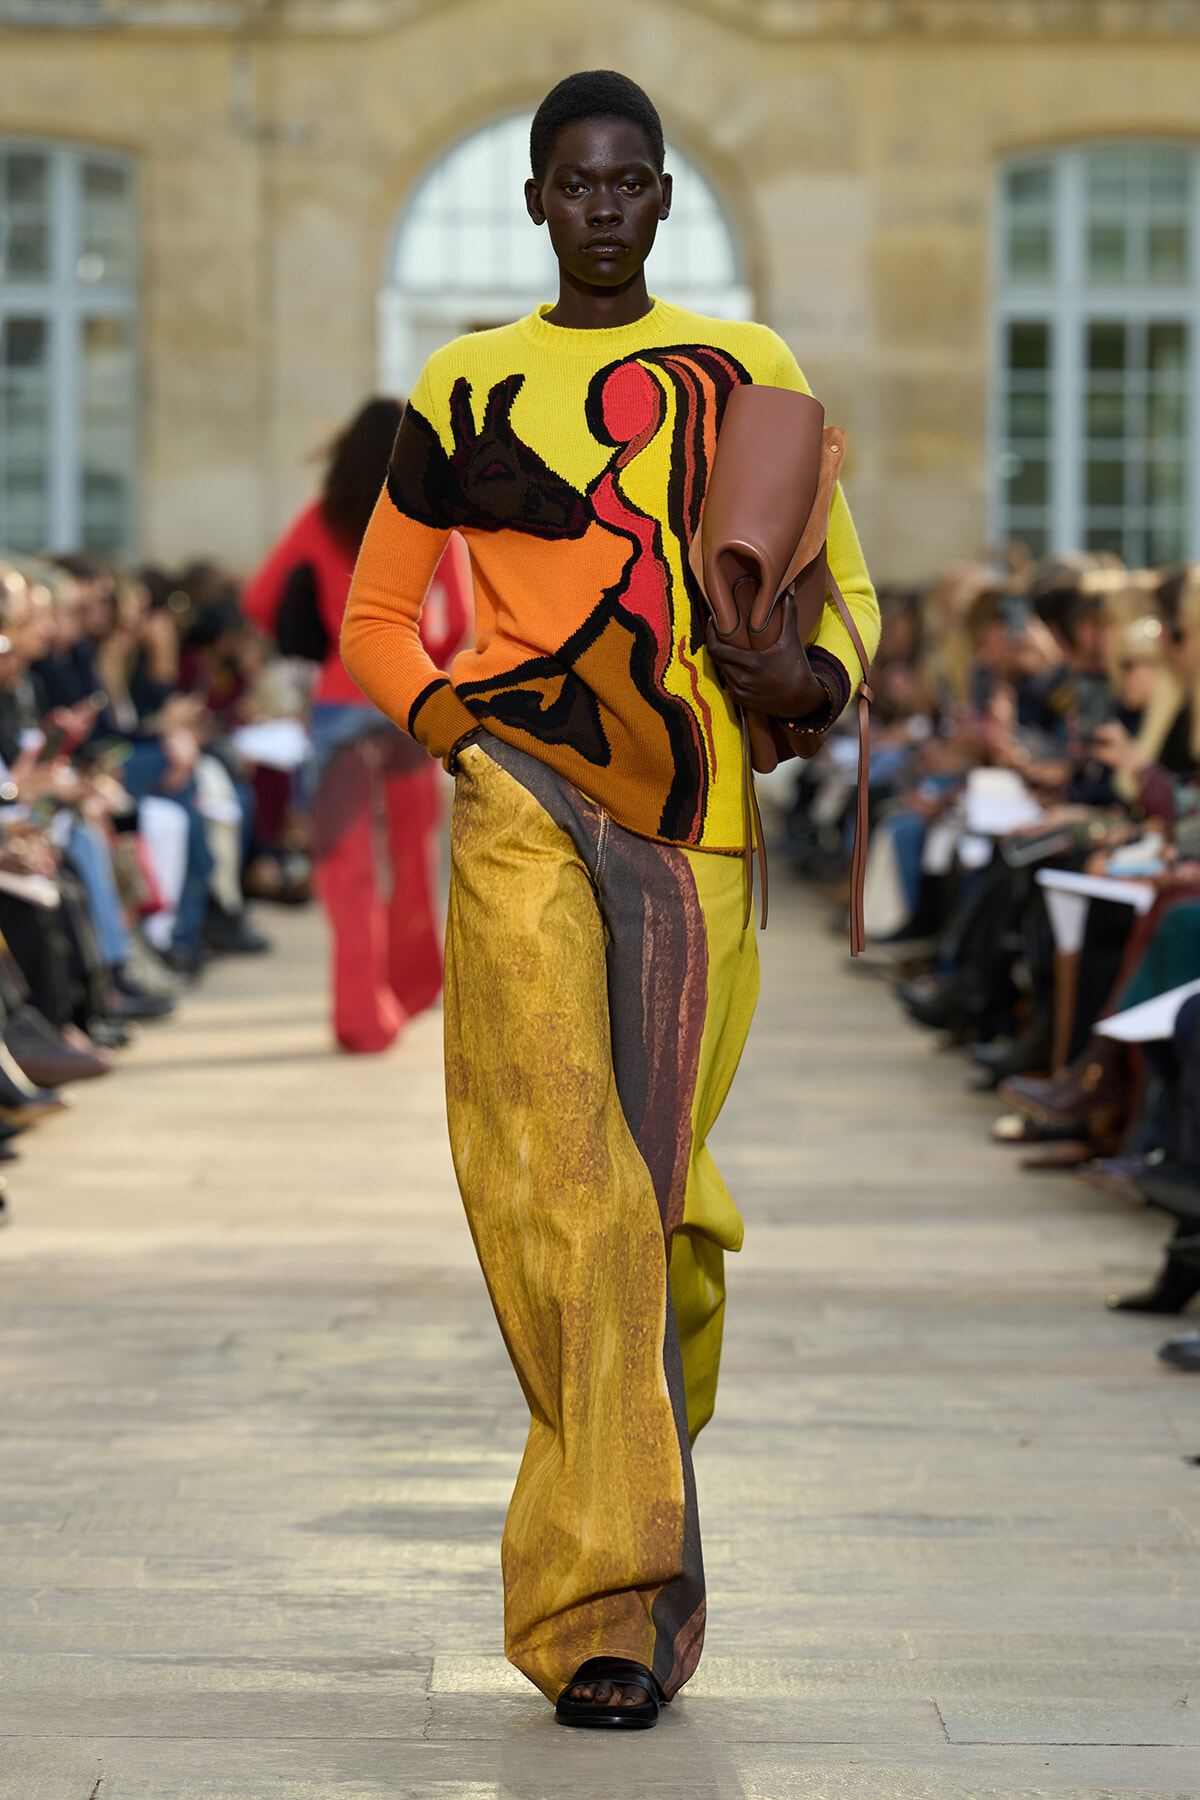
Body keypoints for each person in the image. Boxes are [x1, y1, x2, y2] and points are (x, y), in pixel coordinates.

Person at [342, 72, 879, 1727]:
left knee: (664, 1217)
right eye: (572, 183)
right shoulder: (467, 380)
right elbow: (376, 617)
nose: (601, 207)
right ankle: (610, 1614)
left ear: (662, 202)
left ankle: (632, 1464)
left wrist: (805, 674)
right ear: (532, 202)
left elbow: (842, 603)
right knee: (559, 1190)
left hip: (701, 834)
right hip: (521, 809)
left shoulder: (748, 373)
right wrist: (461, 741)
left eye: (629, 182)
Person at [241, 399, 469, 1052]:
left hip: (341, 703)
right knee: (409, 852)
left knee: (347, 864)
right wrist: (426, 660)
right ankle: (413, 985)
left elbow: (260, 599)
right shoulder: (428, 515)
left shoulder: (320, 518)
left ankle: (361, 1014)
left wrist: (318, 643)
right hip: (406, 702)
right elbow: (456, 620)